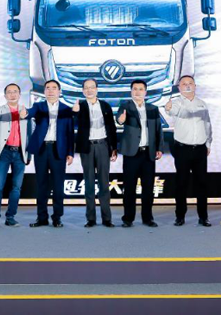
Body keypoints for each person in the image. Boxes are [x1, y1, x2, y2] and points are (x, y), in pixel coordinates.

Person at [23, 80, 74, 228]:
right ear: (44, 91)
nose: (51, 91)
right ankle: (41, 217)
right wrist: (25, 113)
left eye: (54, 88)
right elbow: (30, 113)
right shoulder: (38, 106)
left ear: (59, 91)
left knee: (58, 186)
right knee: (41, 185)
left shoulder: (66, 109)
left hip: (59, 150)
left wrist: (70, 152)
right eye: (48, 88)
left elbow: (70, 133)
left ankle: (57, 217)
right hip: (42, 149)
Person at [164, 75, 213, 227]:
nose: (187, 86)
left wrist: (208, 143)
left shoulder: (202, 104)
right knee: (181, 184)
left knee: (202, 184)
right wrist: (168, 108)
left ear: (195, 86)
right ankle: (180, 216)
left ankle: (203, 217)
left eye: (190, 83)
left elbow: (207, 125)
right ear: (179, 88)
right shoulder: (176, 103)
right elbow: (172, 112)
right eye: (184, 84)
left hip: (200, 149)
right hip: (182, 149)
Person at [117, 80, 164, 228]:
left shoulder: (153, 109)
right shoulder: (125, 106)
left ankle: (147, 218)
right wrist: (120, 120)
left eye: (141, 89)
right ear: (131, 91)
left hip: (148, 153)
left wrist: (159, 147)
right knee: (129, 188)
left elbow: (158, 129)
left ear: (145, 92)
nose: (137, 92)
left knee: (148, 188)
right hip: (132, 154)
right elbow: (119, 119)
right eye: (135, 89)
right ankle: (128, 218)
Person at [72, 79, 118, 228]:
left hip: (103, 145)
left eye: (92, 87)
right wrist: (74, 113)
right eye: (86, 88)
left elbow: (111, 127)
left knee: (104, 183)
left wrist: (114, 148)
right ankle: (90, 218)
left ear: (97, 89)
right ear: (83, 91)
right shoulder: (80, 106)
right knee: (89, 183)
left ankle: (107, 218)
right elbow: (73, 123)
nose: (89, 90)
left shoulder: (105, 105)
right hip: (87, 147)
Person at [0, 83, 29, 228]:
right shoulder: (0, 109)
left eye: (15, 91)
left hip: (20, 153)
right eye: (9, 92)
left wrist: (28, 154)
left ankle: (10, 217)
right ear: (5, 95)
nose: (12, 94)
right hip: (3, 152)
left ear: (19, 94)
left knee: (16, 187)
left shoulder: (25, 111)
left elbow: (29, 133)